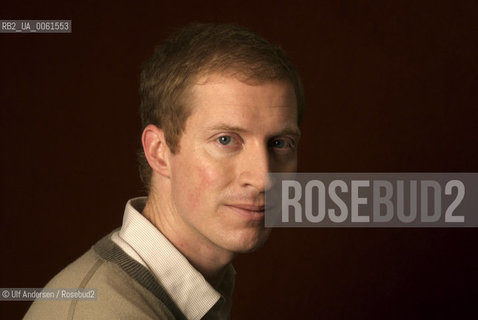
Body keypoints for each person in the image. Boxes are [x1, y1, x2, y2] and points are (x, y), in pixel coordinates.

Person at [24, 23, 304, 320]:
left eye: (280, 143)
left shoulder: (196, 292)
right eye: (225, 140)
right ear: (159, 151)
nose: (263, 177)